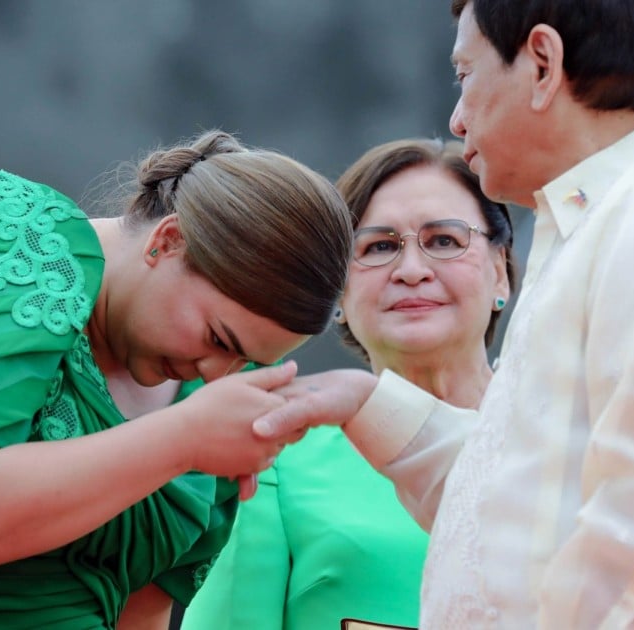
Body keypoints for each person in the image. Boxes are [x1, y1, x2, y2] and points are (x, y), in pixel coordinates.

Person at [253, 1, 634, 628]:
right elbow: (501, 511)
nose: (456, 120)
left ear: (542, 63)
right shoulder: (603, 224)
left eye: (465, 76)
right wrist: (364, 403)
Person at [0, 129, 353, 629]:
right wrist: (183, 439)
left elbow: (143, 612)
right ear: (169, 241)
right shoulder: (2, 234)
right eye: (219, 340)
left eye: (245, 362)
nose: (218, 373)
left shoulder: (214, 402)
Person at [181, 138, 514, 630]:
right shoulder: (275, 456)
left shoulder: (569, 433)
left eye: (444, 240)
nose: (412, 271)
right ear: (337, 291)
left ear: (500, 272)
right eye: (379, 247)